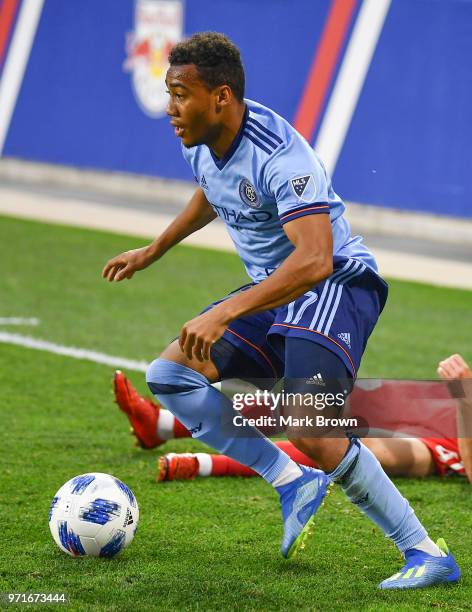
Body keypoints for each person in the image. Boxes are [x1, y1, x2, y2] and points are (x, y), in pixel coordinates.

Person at [103, 32, 460, 588]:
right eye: (169, 94)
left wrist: (224, 313)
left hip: (335, 284)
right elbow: (212, 191)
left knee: (312, 425)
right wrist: (153, 250)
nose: (171, 108)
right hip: (278, 291)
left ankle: (426, 555)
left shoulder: (280, 153)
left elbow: (316, 259)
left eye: (180, 94)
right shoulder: (198, 138)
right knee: (171, 374)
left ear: (221, 97)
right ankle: (291, 482)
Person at [112, 353, 472, 484]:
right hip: (430, 404)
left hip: (453, 442)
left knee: (363, 450)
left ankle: (205, 463)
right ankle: (162, 425)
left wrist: (464, 398)